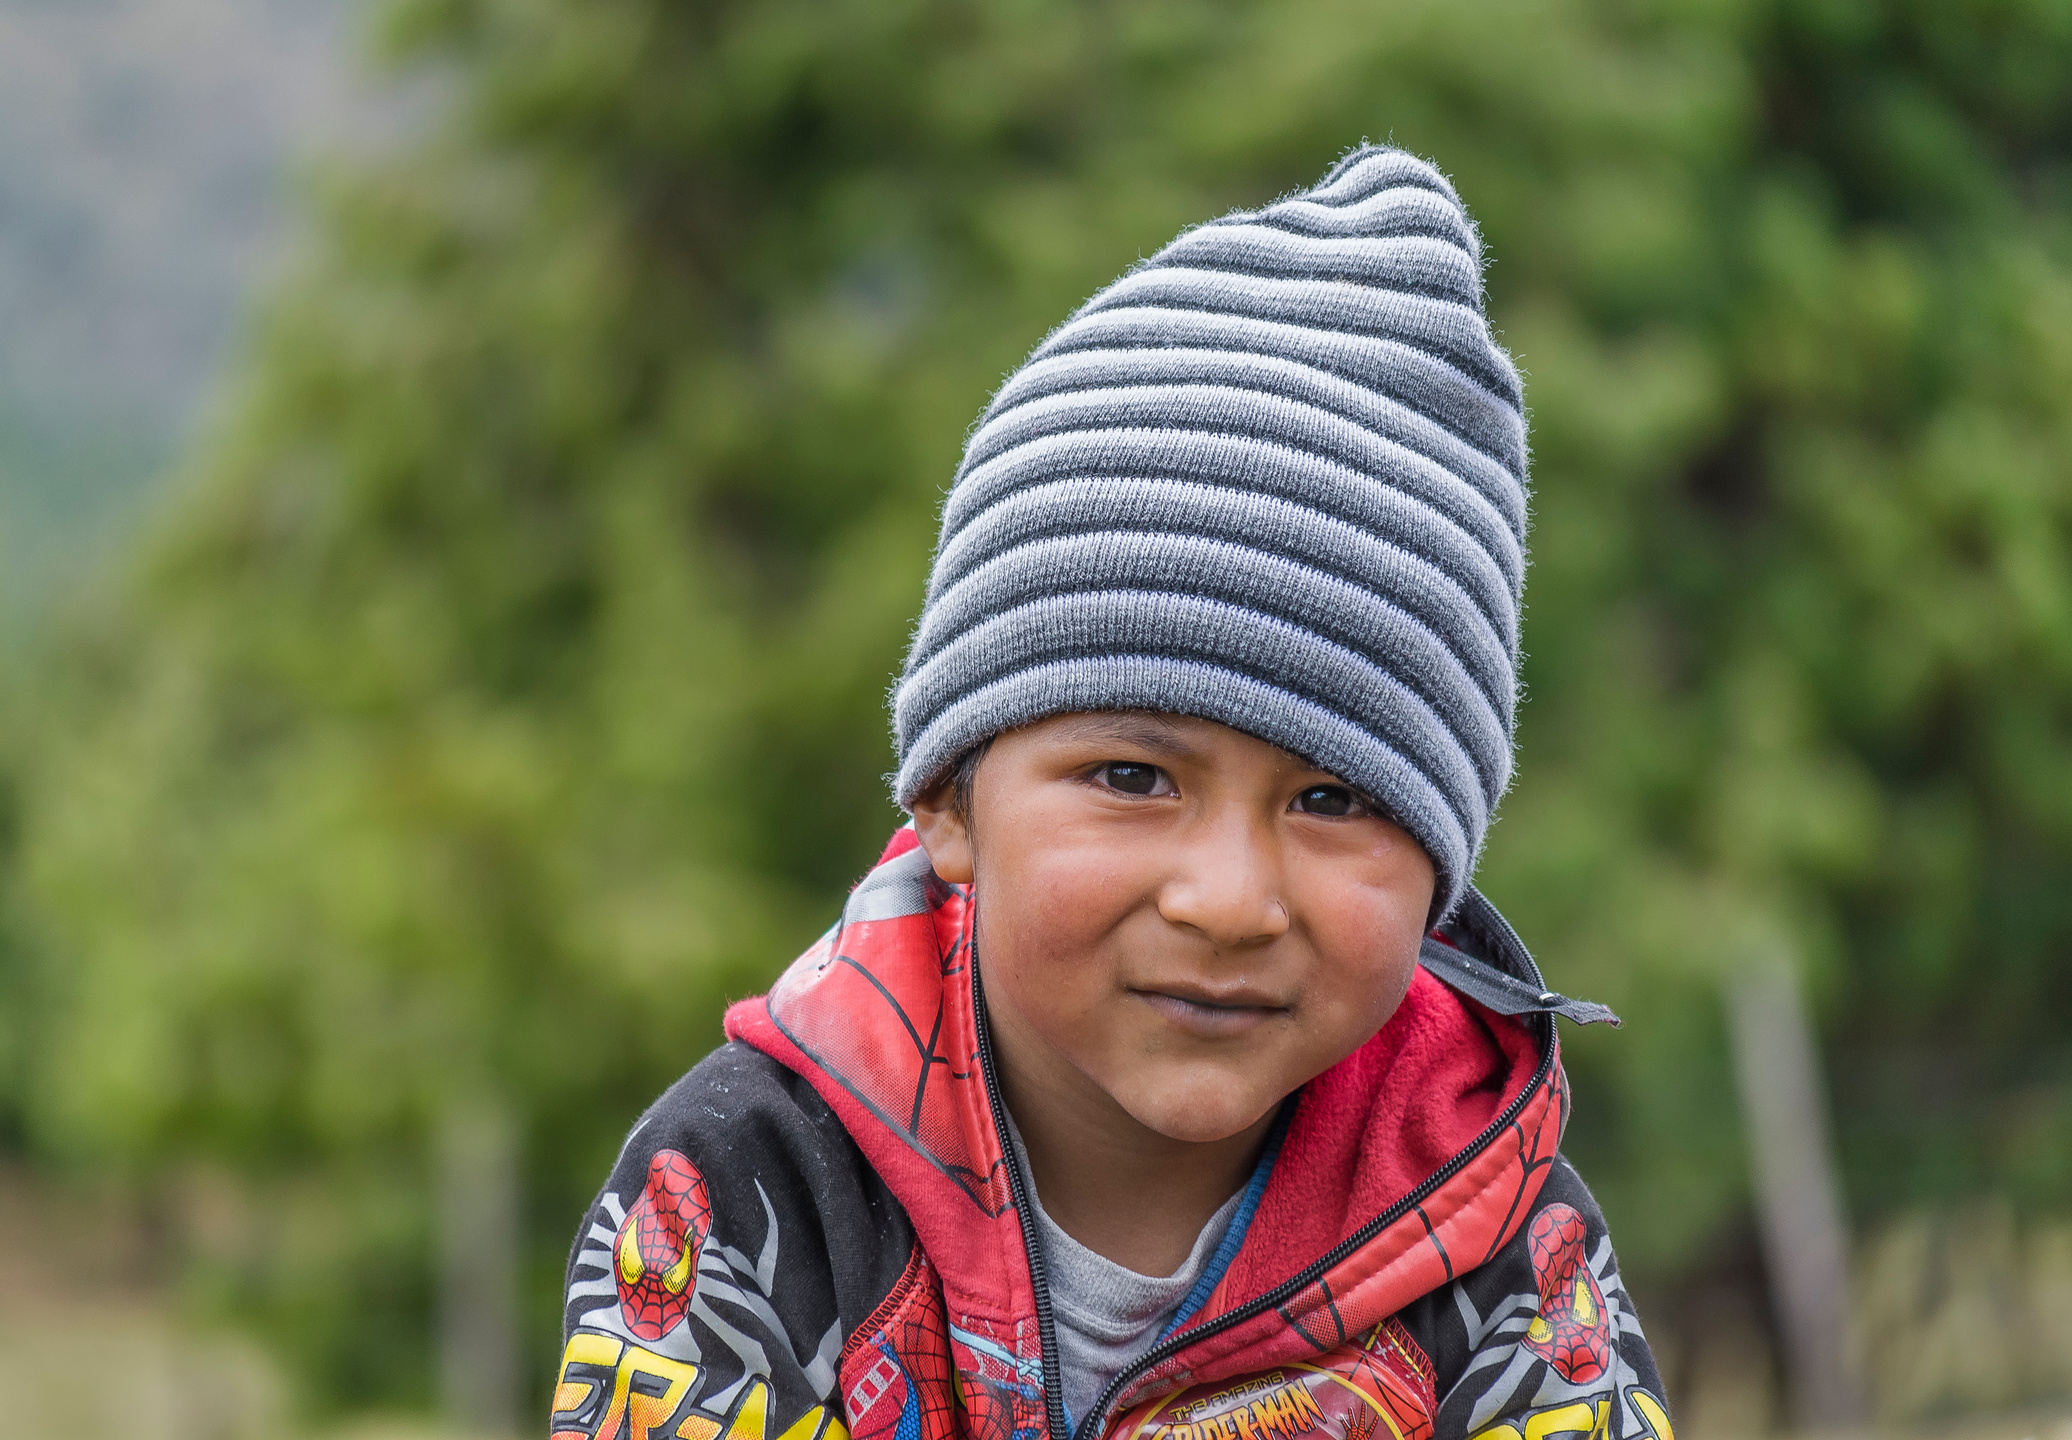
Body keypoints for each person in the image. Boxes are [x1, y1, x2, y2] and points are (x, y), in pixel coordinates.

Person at [551, 145, 1668, 1440]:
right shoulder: (754, 1189)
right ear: (947, 803)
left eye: (1334, 801)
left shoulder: (1489, 1231)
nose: (1231, 899)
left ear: (1442, 869)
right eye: (1134, 778)